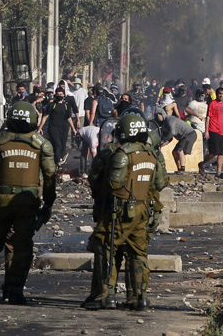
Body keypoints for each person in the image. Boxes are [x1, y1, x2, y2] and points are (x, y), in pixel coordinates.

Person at [83, 114, 169, 310]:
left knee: (106, 247)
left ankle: (106, 295)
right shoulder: (151, 153)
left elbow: (101, 180)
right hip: (143, 210)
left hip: (118, 209)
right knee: (138, 252)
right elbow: (160, 183)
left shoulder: (116, 153)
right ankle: (139, 297)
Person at [0, 101, 56, 305]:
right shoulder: (41, 144)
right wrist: (48, 203)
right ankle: (14, 291)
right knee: (22, 248)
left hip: (0, 202)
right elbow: (50, 175)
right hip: (27, 203)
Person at [40, 86, 78, 169]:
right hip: (53, 128)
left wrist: (73, 129)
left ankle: (58, 159)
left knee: (62, 146)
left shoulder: (66, 106)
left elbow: (69, 118)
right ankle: (58, 163)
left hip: (64, 129)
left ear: (64, 95)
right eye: (58, 94)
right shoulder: (52, 105)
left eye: (61, 94)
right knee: (57, 145)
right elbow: (45, 117)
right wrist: (40, 128)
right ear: (55, 95)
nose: (59, 96)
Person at [199, 87, 223, 174]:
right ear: (217, 94)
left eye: (222, 94)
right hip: (213, 129)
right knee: (214, 152)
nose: (221, 95)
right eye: (220, 94)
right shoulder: (212, 104)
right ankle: (202, 163)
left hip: (221, 130)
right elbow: (208, 117)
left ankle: (219, 172)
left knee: (222, 153)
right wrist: (206, 131)